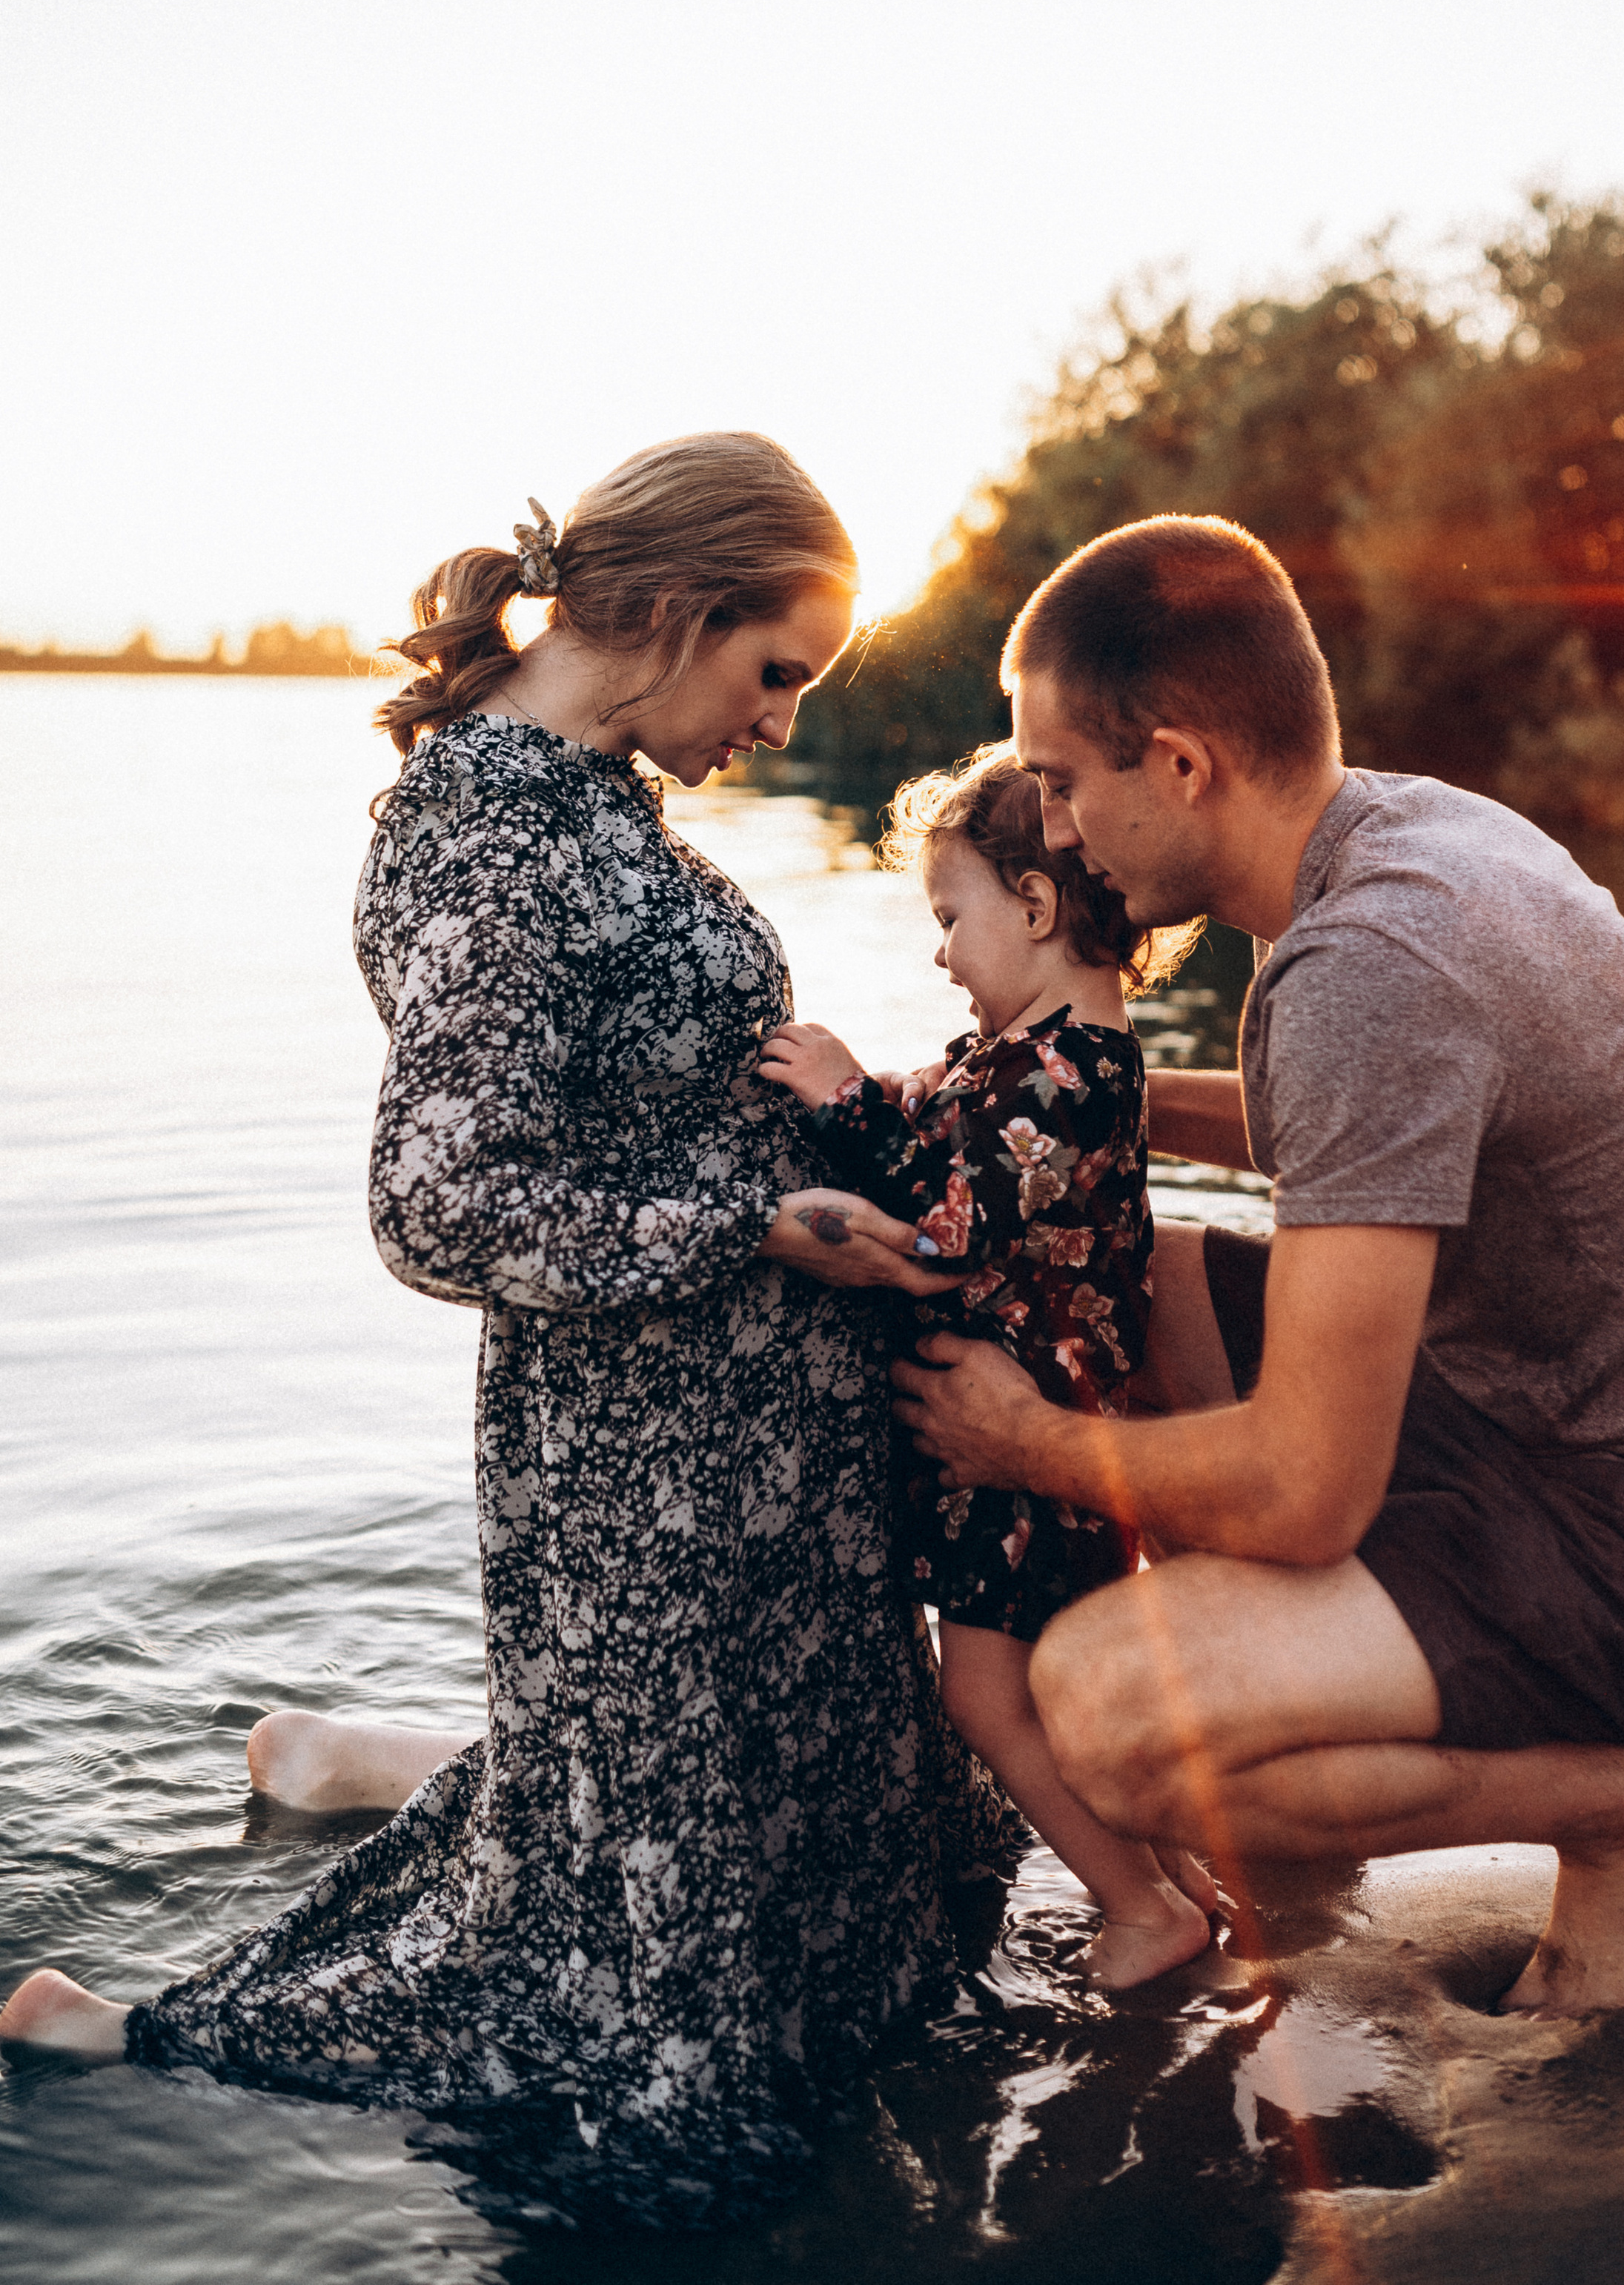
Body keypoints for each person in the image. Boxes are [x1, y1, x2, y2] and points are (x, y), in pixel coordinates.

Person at [1, 432, 1002, 2224]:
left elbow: (635, 1096)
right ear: (684, 613)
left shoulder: (596, 798)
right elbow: (434, 1203)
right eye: (776, 672)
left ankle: (330, 1768)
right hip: (644, 1475)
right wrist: (755, 1218)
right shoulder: (492, 835)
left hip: (752, 1460)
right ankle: (137, 2035)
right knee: (644, 1996)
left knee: (815, 1878)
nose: (777, 724)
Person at [892, 513, 1624, 2017]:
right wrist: (1049, 1103)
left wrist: (1023, 1441)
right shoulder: (1390, 836)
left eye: (1067, 785)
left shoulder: (1367, 967)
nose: (1057, 832)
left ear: (1182, 765)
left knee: (1104, 1712)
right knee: (1129, 1290)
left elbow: (1303, 1491)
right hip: (1561, 1415)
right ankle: (1294, 1752)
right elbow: (1353, 1131)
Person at [759, 744, 1217, 1986]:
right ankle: (1176, 1878)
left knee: (987, 1703)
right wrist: (885, 1094)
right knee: (1058, 1698)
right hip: (1044, 1451)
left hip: (1013, 1460)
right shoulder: (1046, 1065)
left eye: (951, 918)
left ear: (1034, 904)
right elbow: (955, 1125)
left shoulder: (1065, 1080)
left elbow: (953, 1226)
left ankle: (1140, 1909)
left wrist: (846, 1102)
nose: (942, 953)